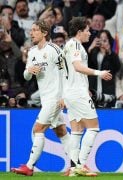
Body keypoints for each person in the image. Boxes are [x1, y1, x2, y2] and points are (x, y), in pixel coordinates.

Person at [11, 20, 70, 176]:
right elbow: (26, 76)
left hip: (55, 97)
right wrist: (30, 70)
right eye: (31, 30)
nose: (31, 33)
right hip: (45, 98)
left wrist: (64, 96)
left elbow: (66, 72)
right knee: (61, 130)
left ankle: (29, 167)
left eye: (35, 30)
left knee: (38, 129)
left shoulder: (54, 50)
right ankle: (77, 164)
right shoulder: (32, 52)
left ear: (44, 33)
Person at [63, 17, 112, 176]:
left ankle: (73, 167)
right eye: (87, 30)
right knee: (93, 127)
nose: (89, 33)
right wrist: (99, 73)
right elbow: (77, 67)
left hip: (71, 92)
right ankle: (81, 164)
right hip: (77, 93)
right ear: (79, 32)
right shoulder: (76, 44)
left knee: (77, 130)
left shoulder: (68, 45)